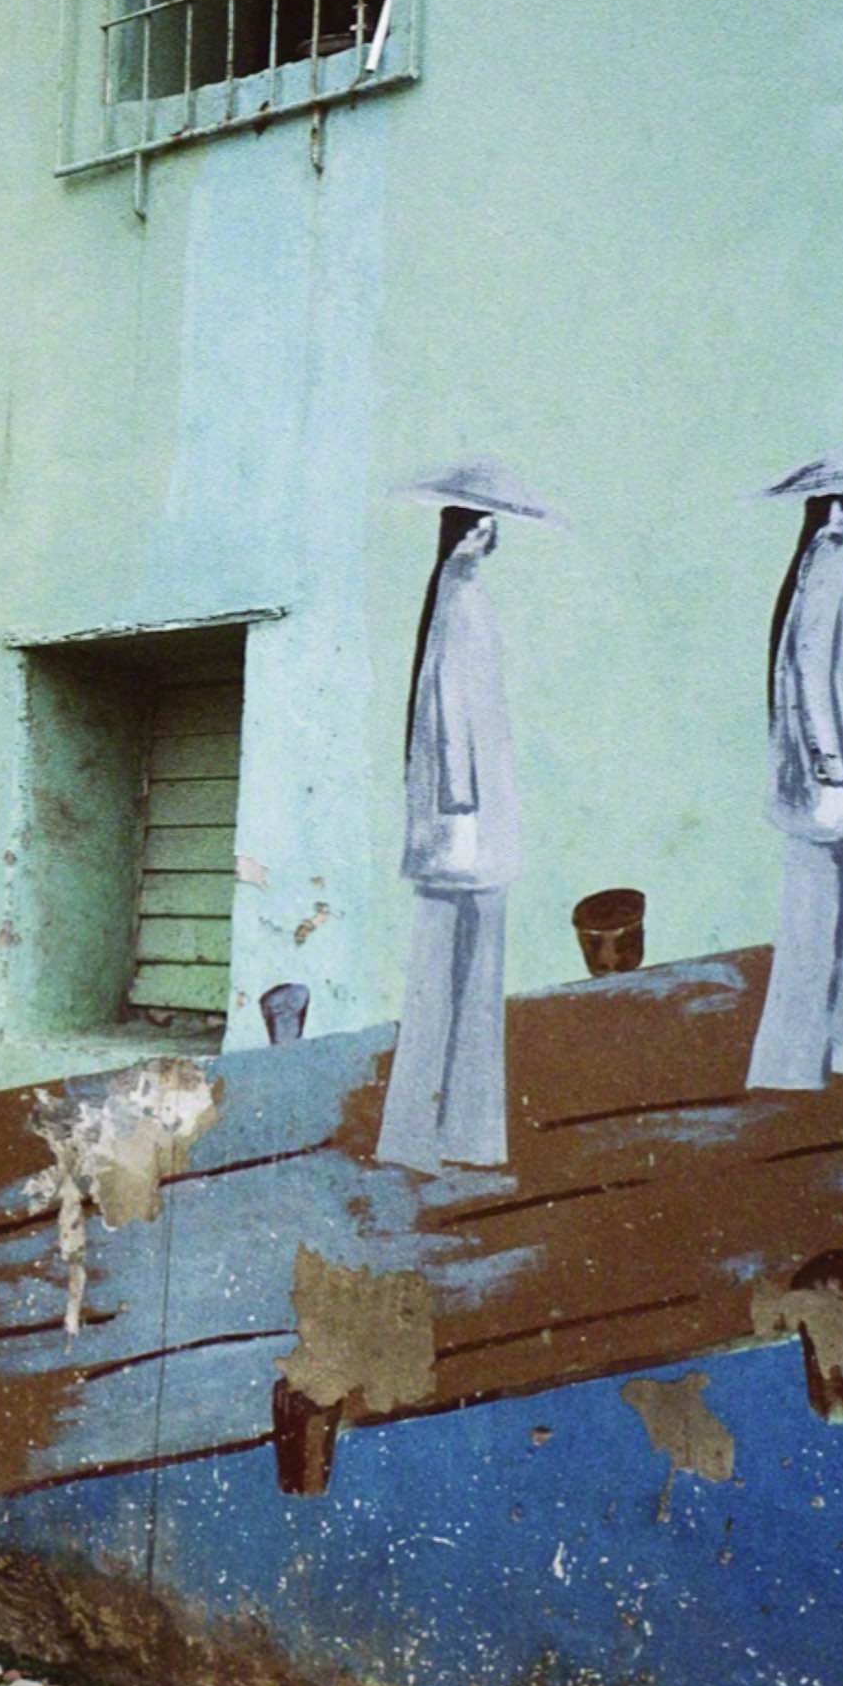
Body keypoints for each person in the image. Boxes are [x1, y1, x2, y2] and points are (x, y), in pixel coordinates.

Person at [373, 459, 557, 1175]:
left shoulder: (462, 595)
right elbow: (449, 708)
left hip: (473, 820)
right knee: (454, 973)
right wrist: (456, 797)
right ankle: (432, 1134)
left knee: (464, 974)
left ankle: (462, 1134)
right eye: (482, 527)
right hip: (465, 823)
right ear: (466, 533)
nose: (489, 537)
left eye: (490, 528)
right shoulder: (459, 597)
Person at [746, 460, 843, 1092]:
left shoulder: (818, 564)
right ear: (831, 507)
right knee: (829, 916)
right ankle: (813, 1059)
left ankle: (832, 1055)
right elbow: (809, 669)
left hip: (832, 780)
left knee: (836, 914)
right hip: (832, 781)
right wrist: (831, 761)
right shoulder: (830, 565)